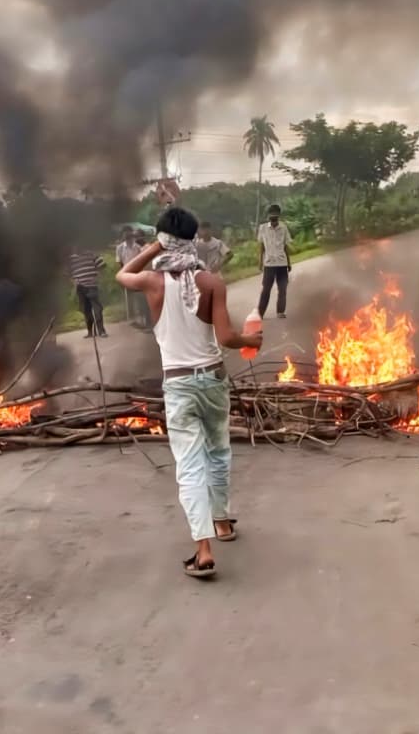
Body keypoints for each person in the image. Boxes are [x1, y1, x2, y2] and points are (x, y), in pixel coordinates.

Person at [116, 207, 262, 579]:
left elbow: (122, 274)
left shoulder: (152, 281)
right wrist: (251, 340)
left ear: (163, 239)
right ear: (195, 238)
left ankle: (203, 550)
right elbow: (227, 338)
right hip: (212, 379)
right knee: (218, 451)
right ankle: (223, 523)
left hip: (179, 384)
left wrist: (152, 249)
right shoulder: (211, 282)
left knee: (190, 465)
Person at [256, 203, 293, 318]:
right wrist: (260, 261)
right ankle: (260, 313)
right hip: (269, 264)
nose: (273, 221)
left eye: (275, 218)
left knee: (282, 289)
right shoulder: (262, 228)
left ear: (278, 216)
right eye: (271, 218)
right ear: (268, 217)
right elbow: (261, 246)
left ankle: (280, 312)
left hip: (282, 263)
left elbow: (286, 246)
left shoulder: (284, 228)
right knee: (266, 289)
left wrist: (289, 262)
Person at [69, 246, 107, 338]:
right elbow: (68, 273)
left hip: (92, 286)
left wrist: (97, 278)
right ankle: (90, 332)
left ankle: (101, 331)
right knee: (86, 311)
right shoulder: (71, 259)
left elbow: (102, 266)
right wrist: (74, 282)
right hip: (80, 288)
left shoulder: (92, 254)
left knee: (97, 309)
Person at [115, 227, 149, 329]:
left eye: (129, 235)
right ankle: (133, 319)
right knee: (129, 297)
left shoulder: (137, 247)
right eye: (126, 235)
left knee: (140, 297)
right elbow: (120, 262)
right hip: (126, 273)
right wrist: (122, 274)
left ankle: (142, 317)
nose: (128, 237)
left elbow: (141, 260)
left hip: (137, 273)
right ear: (123, 236)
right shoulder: (120, 248)